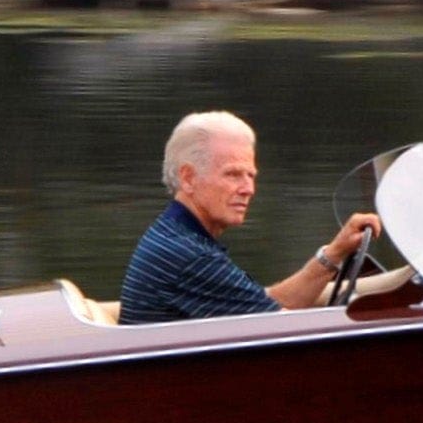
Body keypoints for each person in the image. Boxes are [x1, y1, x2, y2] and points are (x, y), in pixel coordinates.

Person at [118, 111, 381, 325]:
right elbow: (286, 329)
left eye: (251, 175)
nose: (248, 189)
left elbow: (269, 304)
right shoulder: (188, 256)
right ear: (188, 178)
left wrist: (335, 253)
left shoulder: (179, 235)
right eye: (233, 174)